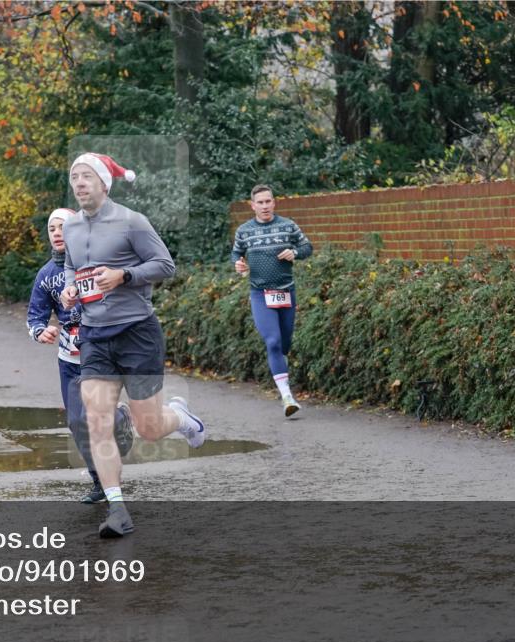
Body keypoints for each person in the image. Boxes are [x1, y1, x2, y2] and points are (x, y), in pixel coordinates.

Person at [60, 153, 207, 538]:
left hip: (137, 333)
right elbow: (71, 267)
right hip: (94, 336)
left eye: (87, 176)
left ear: (105, 183)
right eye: (74, 177)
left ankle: (182, 417)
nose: (79, 183)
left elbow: (165, 265)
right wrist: (71, 288)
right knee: (96, 418)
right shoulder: (72, 226)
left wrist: (123, 275)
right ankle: (117, 509)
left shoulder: (131, 222)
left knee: (150, 428)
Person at [27, 207, 135, 504]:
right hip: (69, 359)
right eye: (52, 229)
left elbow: (120, 301)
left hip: (100, 352)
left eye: (63, 226)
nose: (57, 233)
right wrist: (40, 331)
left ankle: (119, 417)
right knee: (77, 422)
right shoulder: (47, 275)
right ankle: (99, 480)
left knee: (98, 415)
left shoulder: (96, 266)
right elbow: (35, 315)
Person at [232, 184, 313, 417]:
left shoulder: (287, 225)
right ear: (253, 205)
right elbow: (236, 254)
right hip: (260, 294)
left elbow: (307, 246)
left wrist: (295, 253)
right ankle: (287, 396)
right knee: (273, 341)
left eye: (268, 201)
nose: (265, 206)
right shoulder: (244, 231)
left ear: (274, 203)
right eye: (260, 202)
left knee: (285, 343)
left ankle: (280, 367)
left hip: (286, 291)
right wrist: (239, 264)